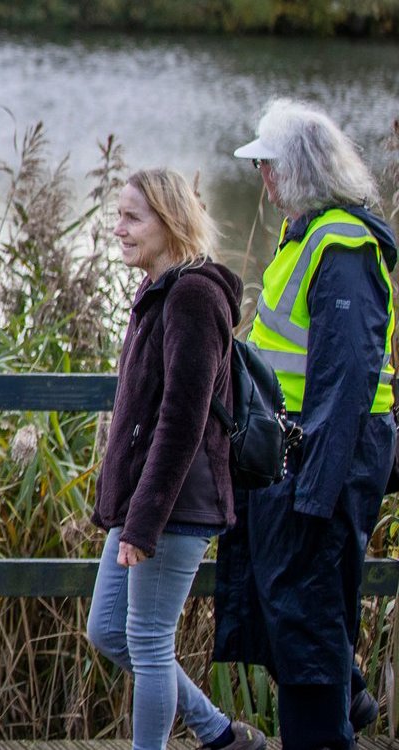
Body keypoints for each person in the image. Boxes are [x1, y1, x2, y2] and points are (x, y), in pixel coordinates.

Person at [216, 99, 399, 750]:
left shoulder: (342, 246)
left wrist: (314, 495)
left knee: (307, 623)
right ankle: (345, 697)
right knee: (283, 614)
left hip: (325, 460)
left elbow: (346, 378)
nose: (262, 180)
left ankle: (330, 718)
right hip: (294, 456)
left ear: (297, 172)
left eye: (268, 166)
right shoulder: (308, 236)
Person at [85, 169, 260, 750]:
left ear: (171, 222)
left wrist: (144, 522)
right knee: (109, 629)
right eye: (118, 216)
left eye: (133, 218)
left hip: (175, 503)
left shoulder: (192, 296)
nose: (118, 230)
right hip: (145, 502)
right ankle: (217, 732)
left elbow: (182, 421)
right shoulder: (157, 288)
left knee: (149, 638)